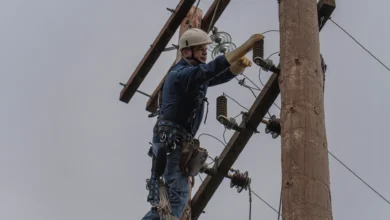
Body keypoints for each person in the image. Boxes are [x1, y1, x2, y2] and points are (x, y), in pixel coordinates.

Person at [142, 28, 264, 220]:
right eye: (200, 48)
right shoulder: (180, 74)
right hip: (171, 142)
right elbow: (209, 71)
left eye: (206, 48)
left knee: (167, 203)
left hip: (172, 141)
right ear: (186, 52)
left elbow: (213, 76)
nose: (205, 51)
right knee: (176, 200)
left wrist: (236, 69)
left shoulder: (192, 76)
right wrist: (244, 47)